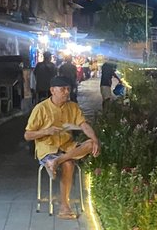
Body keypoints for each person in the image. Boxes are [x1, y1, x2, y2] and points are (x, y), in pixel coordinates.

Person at [24, 76, 100, 217]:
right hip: (48, 148)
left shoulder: (73, 107)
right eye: (63, 89)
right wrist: (46, 131)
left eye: (68, 89)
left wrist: (95, 140)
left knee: (90, 143)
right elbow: (27, 135)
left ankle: (57, 161)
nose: (66, 92)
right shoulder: (41, 108)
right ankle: (65, 207)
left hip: (67, 146)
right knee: (69, 164)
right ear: (52, 90)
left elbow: (84, 125)